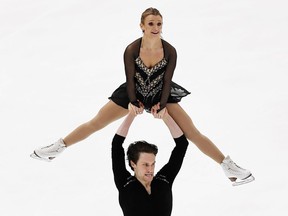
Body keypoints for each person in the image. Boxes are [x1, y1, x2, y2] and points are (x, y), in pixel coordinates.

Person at [30, 7, 254, 186]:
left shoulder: (170, 51)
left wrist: (162, 105)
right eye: (151, 24)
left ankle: (229, 167)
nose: (156, 27)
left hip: (160, 93)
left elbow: (166, 81)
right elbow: (129, 79)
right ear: (142, 26)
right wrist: (133, 103)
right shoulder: (131, 49)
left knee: (192, 133)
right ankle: (57, 148)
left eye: (159, 24)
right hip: (133, 92)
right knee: (95, 123)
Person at [112, 103, 188, 216]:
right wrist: (132, 114)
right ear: (133, 164)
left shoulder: (164, 180)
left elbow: (182, 144)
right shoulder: (125, 183)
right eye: (145, 164)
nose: (150, 169)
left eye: (153, 164)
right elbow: (116, 144)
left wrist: (165, 116)